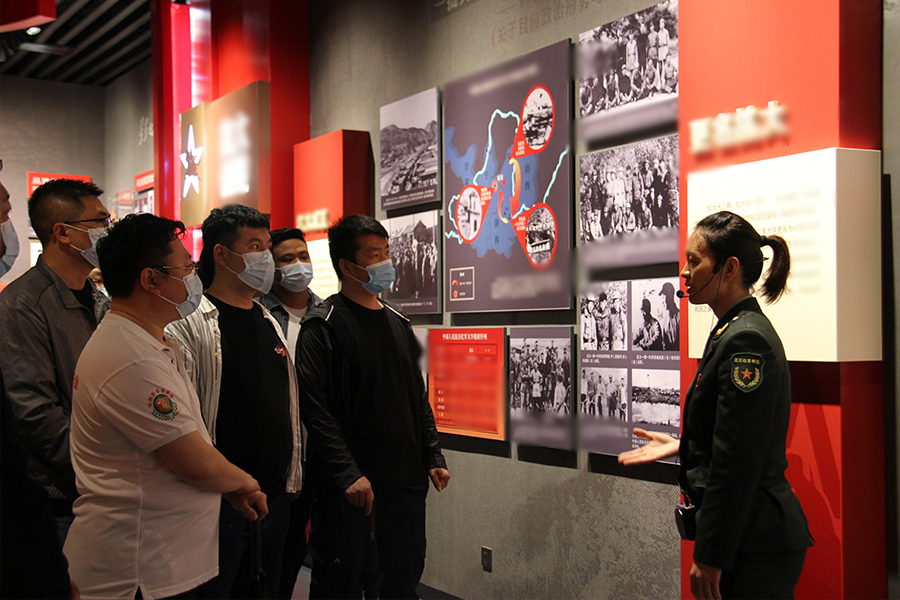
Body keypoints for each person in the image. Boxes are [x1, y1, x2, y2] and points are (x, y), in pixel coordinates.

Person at [64, 213, 267, 599]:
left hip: (164, 560)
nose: (193, 276)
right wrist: (245, 483)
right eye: (186, 267)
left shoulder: (150, 341)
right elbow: (195, 463)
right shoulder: (129, 356)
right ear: (151, 280)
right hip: (138, 568)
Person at [618, 211, 813, 599]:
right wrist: (684, 444)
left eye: (694, 261)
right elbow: (733, 433)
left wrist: (711, 554)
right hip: (746, 536)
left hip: (753, 542)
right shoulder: (731, 329)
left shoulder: (745, 341)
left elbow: (738, 462)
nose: (685, 272)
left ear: (729, 268)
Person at [296, 214, 449, 599]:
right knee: (341, 584)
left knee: (401, 579)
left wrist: (432, 453)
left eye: (386, 252)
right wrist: (347, 473)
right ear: (347, 266)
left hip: (403, 485)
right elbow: (315, 410)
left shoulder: (399, 322)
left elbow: (417, 397)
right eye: (373, 255)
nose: (385, 262)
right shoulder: (323, 326)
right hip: (350, 490)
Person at [165, 205, 303, 599]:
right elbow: (186, 418)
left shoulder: (268, 320)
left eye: (267, 246)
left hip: (275, 497)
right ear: (222, 255)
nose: (266, 258)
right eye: (255, 247)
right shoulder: (189, 324)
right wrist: (226, 484)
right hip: (220, 503)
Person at [0, 178, 110, 544]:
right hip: (61, 499)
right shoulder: (23, 304)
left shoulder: (97, 298)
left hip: (100, 492)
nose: (107, 231)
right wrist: (106, 464)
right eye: (100, 221)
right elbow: (32, 411)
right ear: (62, 232)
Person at [257, 227, 324, 599]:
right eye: (286, 259)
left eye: (303, 256)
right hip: (280, 455)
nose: (299, 265)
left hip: (321, 452)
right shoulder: (260, 313)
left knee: (304, 547)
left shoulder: (327, 313)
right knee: (270, 553)